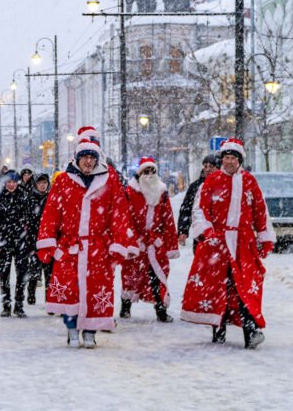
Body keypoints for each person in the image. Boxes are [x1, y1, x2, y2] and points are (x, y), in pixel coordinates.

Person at [37, 138, 138, 348]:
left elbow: (119, 213)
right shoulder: (64, 181)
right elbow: (51, 213)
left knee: (96, 290)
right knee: (70, 291)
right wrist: (50, 244)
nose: (88, 162)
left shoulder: (108, 181)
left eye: (92, 158)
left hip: (98, 249)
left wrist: (118, 242)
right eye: (85, 157)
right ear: (77, 158)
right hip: (69, 247)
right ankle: (72, 330)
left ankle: (91, 331)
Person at [180, 138, 275, 349]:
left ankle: (250, 331)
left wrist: (264, 236)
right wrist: (207, 231)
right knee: (219, 287)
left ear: (239, 160)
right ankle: (219, 329)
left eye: (233, 158)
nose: (229, 162)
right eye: (226, 158)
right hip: (218, 244)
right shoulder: (212, 181)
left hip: (243, 245)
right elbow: (200, 210)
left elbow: (260, 210)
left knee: (245, 288)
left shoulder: (249, 182)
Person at [119, 156, 180, 322]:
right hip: (137, 242)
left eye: (153, 171)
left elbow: (168, 219)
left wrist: (170, 243)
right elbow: (126, 218)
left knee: (158, 276)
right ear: (139, 174)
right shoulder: (130, 193)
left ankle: (161, 309)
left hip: (155, 243)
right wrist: (131, 240)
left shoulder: (161, 192)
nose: (150, 174)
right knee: (130, 275)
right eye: (146, 171)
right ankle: (125, 306)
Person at [0, 170, 33, 318]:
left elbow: (31, 219)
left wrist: (30, 241)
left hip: (21, 241)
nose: (11, 185)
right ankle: (6, 305)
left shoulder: (24, 196)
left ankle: (19, 305)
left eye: (14, 182)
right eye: (9, 182)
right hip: (4, 240)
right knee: (4, 274)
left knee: (21, 274)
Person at [178, 154, 220, 250]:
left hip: (219, 234)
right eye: (205, 166)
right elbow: (186, 209)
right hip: (200, 234)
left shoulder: (222, 184)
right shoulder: (195, 186)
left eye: (211, 166)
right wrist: (183, 231)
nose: (208, 169)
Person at [26, 173, 51, 305]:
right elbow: (27, 220)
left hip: (48, 240)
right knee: (34, 270)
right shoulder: (30, 199)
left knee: (49, 272)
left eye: (45, 183)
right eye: (40, 183)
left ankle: (49, 297)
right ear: (36, 184)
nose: (43, 185)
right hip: (34, 239)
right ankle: (31, 293)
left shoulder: (51, 198)